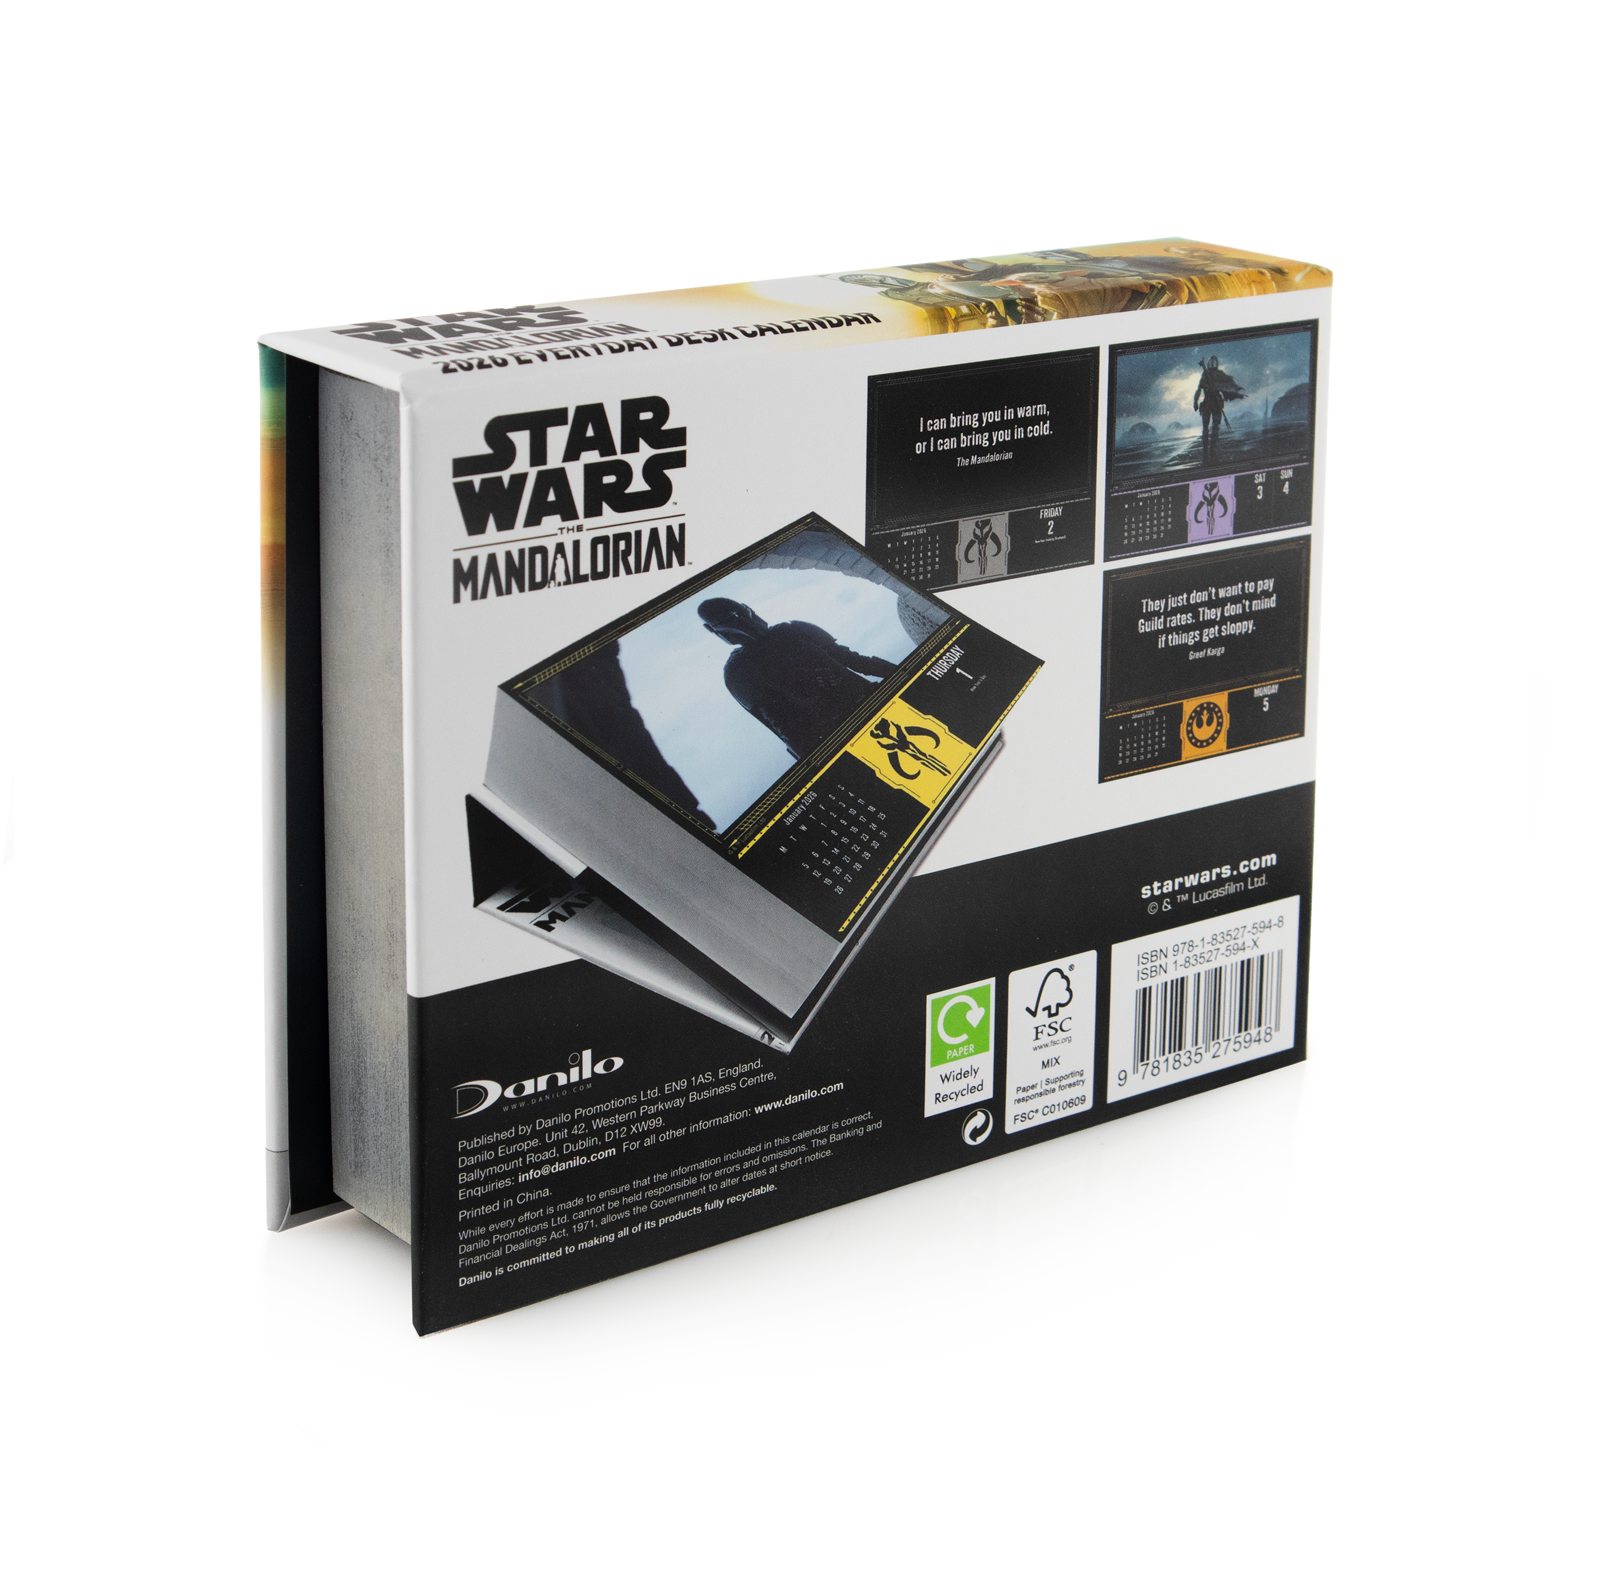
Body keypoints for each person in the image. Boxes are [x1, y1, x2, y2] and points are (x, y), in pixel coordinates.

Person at [699, 597, 897, 759]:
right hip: (842, 732)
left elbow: (853, 660)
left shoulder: (789, 632)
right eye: (735, 618)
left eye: (742, 614)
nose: (745, 621)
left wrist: (901, 674)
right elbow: (787, 728)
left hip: (867, 706)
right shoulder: (740, 671)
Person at [1193, 355, 1245, 460]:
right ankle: (1207, 450)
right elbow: (1199, 389)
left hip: (1213, 404)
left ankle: (1210, 450)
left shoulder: (1217, 374)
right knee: (1209, 427)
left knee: (1213, 427)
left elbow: (1228, 386)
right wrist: (1195, 402)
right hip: (1210, 404)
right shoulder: (1208, 374)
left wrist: (1236, 392)